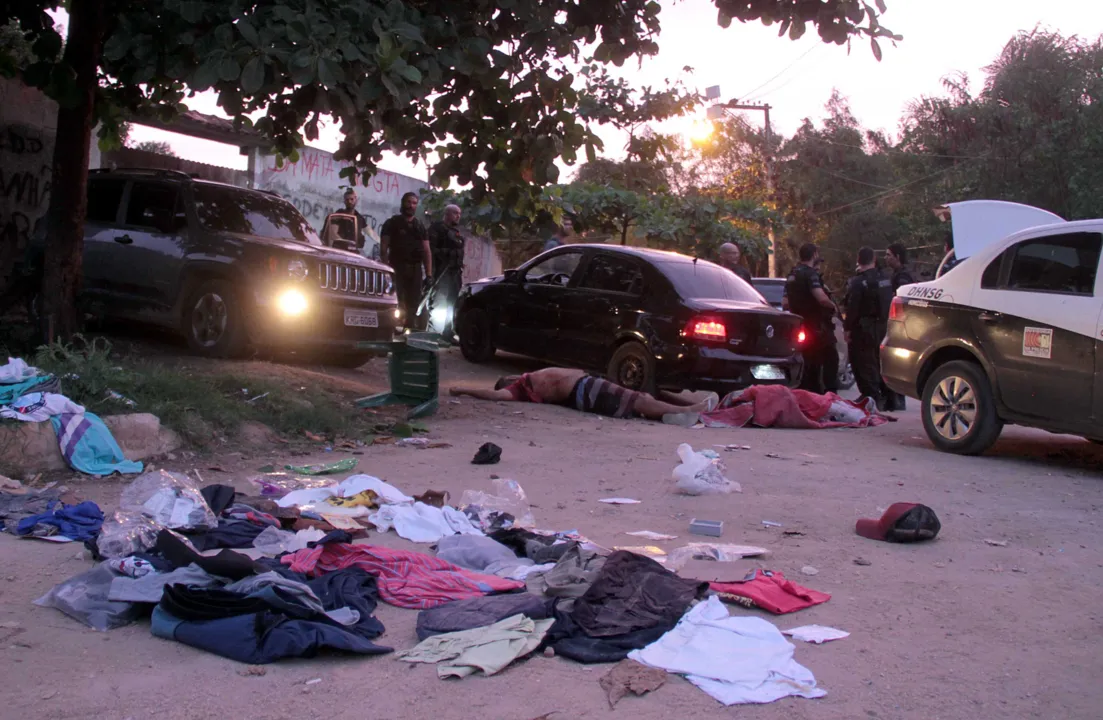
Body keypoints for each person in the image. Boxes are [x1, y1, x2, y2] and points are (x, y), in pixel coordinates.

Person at [448, 367, 718, 424]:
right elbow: (493, 396)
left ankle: (683, 410)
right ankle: (693, 410)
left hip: (588, 385)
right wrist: (462, 389)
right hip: (584, 391)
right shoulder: (518, 389)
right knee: (638, 401)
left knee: (641, 397)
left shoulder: (527, 378)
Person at [844, 246, 895, 411]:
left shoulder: (858, 282)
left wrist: (848, 329)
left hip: (864, 328)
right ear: (874, 260)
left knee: (863, 363)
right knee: (880, 362)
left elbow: (852, 308)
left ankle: (871, 396)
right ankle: (887, 398)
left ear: (859, 261)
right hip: (883, 326)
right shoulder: (885, 279)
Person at [784, 243, 838, 394]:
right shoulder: (810, 274)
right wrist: (833, 306)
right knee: (829, 358)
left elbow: (785, 303)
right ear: (814, 255)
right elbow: (821, 298)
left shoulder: (792, 274)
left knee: (807, 360)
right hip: (816, 325)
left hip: (799, 324)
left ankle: (805, 392)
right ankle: (829, 394)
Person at [381, 192, 432, 330]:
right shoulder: (392, 223)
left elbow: (427, 251)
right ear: (403, 203)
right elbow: (384, 248)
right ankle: (391, 330)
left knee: (413, 304)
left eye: (414, 203)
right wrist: (386, 270)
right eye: (408, 202)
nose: (411, 205)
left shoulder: (419, 226)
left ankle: (408, 331)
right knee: (396, 302)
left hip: (415, 269)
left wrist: (429, 275)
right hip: (396, 268)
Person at [427, 204, 465, 338]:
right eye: (455, 213)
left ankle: (448, 331)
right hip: (441, 272)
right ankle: (431, 332)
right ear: (447, 214)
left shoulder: (456, 232)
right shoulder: (436, 229)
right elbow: (430, 251)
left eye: (459, 213)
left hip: (455, 273)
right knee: (436, 302)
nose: (458, 216)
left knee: (452, 304)